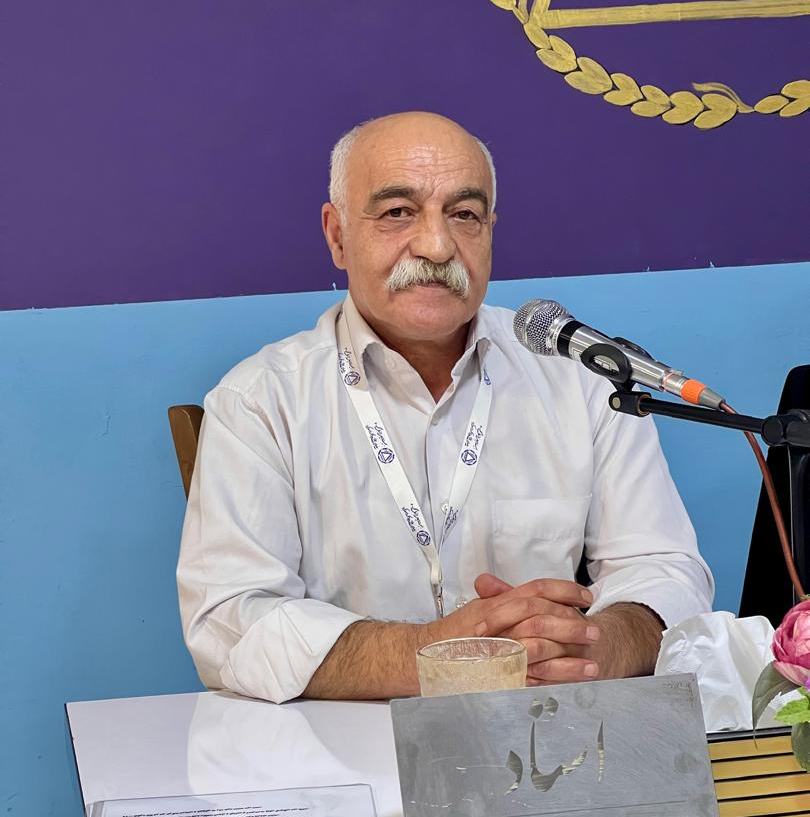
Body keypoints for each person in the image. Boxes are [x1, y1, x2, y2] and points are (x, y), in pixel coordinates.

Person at [177, 111, 713, 704]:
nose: (436, 246)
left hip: (546, 731)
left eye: (464, 215)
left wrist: (600, 646)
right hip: (342, 740)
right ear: (337, 236)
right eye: (397, 212)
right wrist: (437, 652)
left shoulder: (581, 379)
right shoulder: (261, 401)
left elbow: (666, 568)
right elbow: (231, 622)